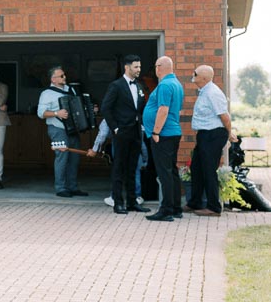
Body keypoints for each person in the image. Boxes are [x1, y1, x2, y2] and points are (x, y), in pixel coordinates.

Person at [99, 55, 146, 214]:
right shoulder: (116, 86)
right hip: (121, 132)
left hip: (136, 132)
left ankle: (132, 202)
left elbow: (140, 109)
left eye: (139, 67)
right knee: (119, 168)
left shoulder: (139, 86)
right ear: (127, 68)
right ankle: (118, 202)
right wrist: (115, 128)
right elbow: (106, 108)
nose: (139, 70)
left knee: (133, 168)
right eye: (136, 67)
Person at [188, 65, 234, 217]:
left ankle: (214, 207)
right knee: (196, 168)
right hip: (205, 135)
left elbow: (224, 116)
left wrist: (229, 133)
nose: (193, 75)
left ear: (204, 78)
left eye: (196, 74)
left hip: (213, 135)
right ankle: (195, 202)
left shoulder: (213, 93)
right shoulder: (204, 92)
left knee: (208, 170)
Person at [143, 56, 185, 222]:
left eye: (155, 66)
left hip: (164, 134)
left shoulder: (165, 85)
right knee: (171, 171)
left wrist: (156, 132)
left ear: (159, 67)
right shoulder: (177, 84)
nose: (155, 69)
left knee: (164, 173)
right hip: (172, 132)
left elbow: (163, 110)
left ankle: (166, 210)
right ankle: (176, 207)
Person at [38, 66, 88, 198]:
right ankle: (60, 188)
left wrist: (88, 110)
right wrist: (56, 113)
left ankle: (72, 187)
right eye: (61, 76)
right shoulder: (46, 93)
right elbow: (40, 113)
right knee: (62, 158)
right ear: (53, 79)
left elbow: (77, 107)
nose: (64, 77)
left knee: (74, 158)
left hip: (73, 129)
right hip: (57, 129)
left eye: (64, 75)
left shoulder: (70, 90)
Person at [92, 118, 148, 211]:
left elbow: (102, 135)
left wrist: (95, 149)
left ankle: (115, 197)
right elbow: (143, 146)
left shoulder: (107, 119)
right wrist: (145, 160)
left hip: (119, 138)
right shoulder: (134, 117)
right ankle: (136, 196)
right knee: (135, 169)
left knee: (118, 169)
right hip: (135, 137)